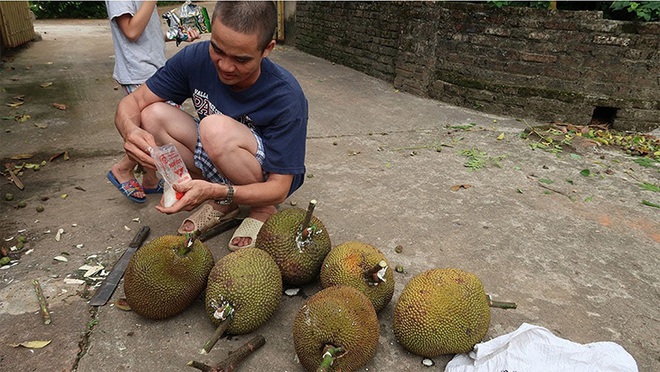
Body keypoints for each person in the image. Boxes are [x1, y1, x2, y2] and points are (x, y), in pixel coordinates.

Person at [112, 1, 308, 250]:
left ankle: (260, 207)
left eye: (241, 59)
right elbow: (133, 102)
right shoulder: (195, 58)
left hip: (267, 177)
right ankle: (221, 198)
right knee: (151, 115)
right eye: (218, 49)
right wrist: (130, 131)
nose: (225, 66)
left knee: (213, 128)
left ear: (267, 49)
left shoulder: (286, 96)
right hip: (219, 157)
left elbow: (280, 188)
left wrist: (218, 191)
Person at [105, 1, 199, 203]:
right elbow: (131, 31)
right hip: (138, 72)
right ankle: (122, 169)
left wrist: (180, 34)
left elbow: (151, 36)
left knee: (155, 129)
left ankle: (150, 178)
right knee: (153, 131)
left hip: (156, 69)